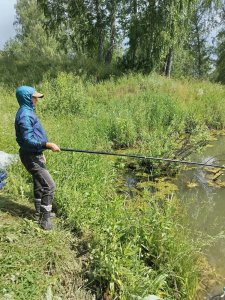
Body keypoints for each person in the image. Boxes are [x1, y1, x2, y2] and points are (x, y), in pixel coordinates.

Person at [15, 86, 60, 230]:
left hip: (34, 154)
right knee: (50, 185)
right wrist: (47, 144)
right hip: (29, 156)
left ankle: (40, 211)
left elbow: (33, 138)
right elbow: (28, 140)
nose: (36, 100)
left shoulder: (28, 112)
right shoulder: (25, 116)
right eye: (34, 97)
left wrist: (41, 152)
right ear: (27, 98)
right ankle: (44, 220)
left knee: (40, 183)